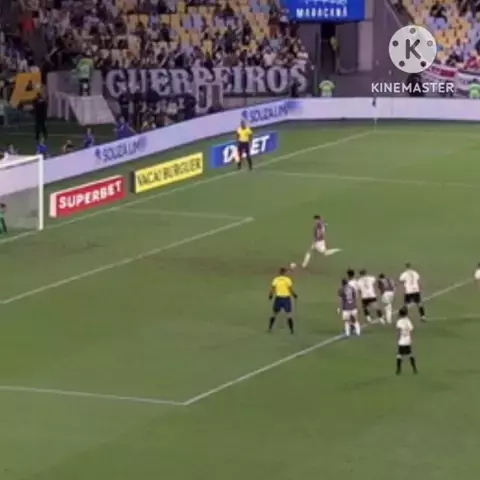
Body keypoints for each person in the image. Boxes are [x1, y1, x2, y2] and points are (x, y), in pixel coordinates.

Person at [268, 267, 297, 334]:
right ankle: (292, 330)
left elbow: (273, 288)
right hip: (286, 299)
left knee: (274, 313)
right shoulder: (288, 279)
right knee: (289, 314)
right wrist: (294, 295)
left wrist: (270, 295)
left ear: (280, 272)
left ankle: (270, 328)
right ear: (285, 273)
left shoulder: (276, 279)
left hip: (278, 298)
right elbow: (290, 289)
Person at [395, 306, 417, 375]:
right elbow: (411, 329)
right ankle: (414, 369)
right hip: (408, 340)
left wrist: (398, 338)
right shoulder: (408, 320)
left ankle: (398, 370)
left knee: (399, 355)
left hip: (402, 341)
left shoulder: (399, 321)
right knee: (410, 354)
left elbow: (399, 331)